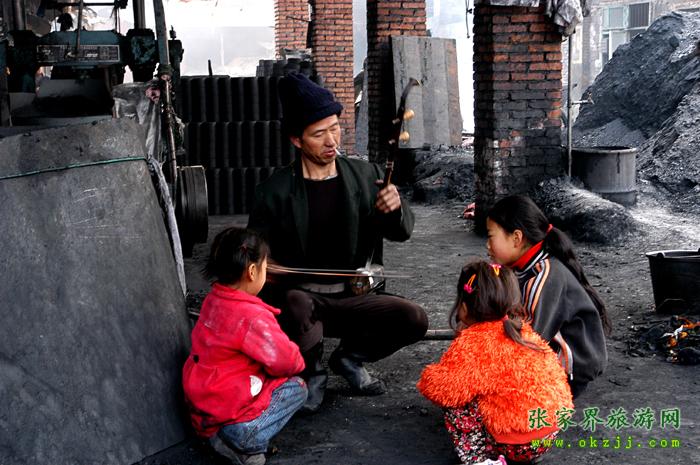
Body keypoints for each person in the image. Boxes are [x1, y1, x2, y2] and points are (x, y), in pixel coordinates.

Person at [247, 73, 428, 413]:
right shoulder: (274, 191)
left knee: (414, 319)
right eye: (319, 134)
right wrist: (265, 266)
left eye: (335, 128)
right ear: (297, 140)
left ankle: (349, 358)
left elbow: (401, 232)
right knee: (296, 302)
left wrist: (395, 208)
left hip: (355, 296)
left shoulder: (365, 175)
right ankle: (312, 372)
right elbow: (253, 255)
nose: (331, 140)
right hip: (304, 304)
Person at [417, 261, 573, 465]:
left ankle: (480, 459)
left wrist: (429, 375)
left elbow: (442, 390)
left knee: (457, 402)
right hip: (548, 434)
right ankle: (527, 453)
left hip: (514, 442)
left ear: (464, 307)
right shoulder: (524, 333)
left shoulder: (472, 343)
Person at [182, 228, 307, 465]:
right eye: (264, 267)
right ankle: (246, 439)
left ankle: (217, 436)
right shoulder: (252, 316)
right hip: (227, 408)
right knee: (297, 387)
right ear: (252, 272)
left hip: (204, 406)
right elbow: (289, 361)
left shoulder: (213, 299)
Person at [486, 194, 610, 398]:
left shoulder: (544, 275)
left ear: (516, 238)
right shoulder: (522, 267)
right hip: (545, 352)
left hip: (568, 374)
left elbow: (529, 338)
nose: (487, 245)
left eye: (491, 236)